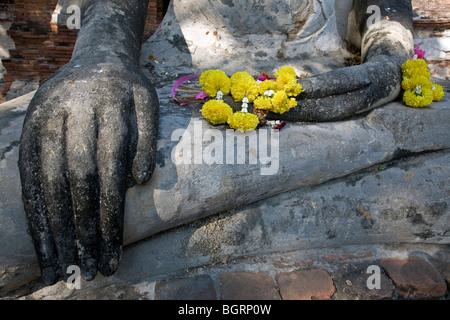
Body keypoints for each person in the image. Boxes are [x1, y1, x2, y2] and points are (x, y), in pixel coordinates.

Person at [18, 0, 413, 285]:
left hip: (326, 85)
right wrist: (102, 59)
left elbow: (388, 25)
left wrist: (386, 68)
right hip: (180, 82)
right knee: (45, 178)